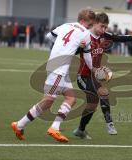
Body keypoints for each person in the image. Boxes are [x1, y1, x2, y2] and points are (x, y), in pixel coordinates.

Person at [11, 9, 96, 143]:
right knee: (49, 100)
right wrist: (94, 70)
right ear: (83, 21)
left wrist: (64, 43)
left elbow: (48, 37)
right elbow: (87, 56)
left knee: (71, 98)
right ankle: (20, 124)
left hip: (56, 65)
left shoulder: (65, 25)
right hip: (59, 69)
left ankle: (53, 127)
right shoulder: (85, 34)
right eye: (90, 24)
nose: (90, 27)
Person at [73, 12, 132, 139]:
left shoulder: (104, 36)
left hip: (95, 75)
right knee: (103, 92)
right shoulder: (85, 36)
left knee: (92, 105)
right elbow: (72, 51)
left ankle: (80, 130)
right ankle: (110, 123)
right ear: (95, 23)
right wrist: (78, 47)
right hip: (83, 76)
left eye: (105, 27)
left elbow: (117, 37)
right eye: (102, 26)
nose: (103, 30)